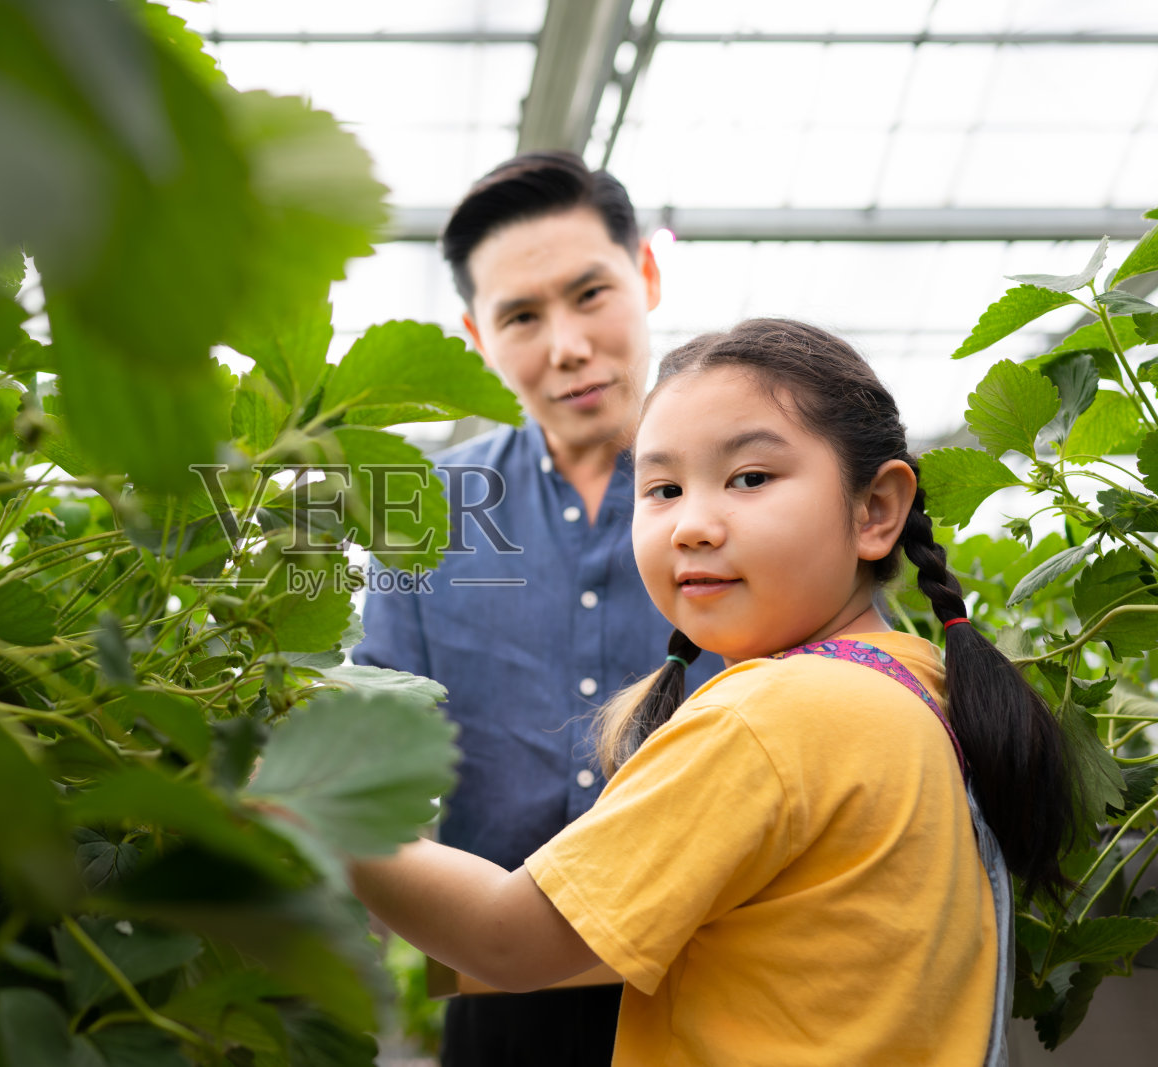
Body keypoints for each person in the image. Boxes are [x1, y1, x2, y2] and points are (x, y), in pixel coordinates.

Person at [352, 319, 1081, 1066]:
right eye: (662, 488)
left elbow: (506, 937)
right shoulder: (922, 684)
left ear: (875, 510)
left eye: (750, 478)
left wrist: (314, 799)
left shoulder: (767, 718)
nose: (693, 524)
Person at [352, 152, 712, 1064]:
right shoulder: (426, 511)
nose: (565, 345)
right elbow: (378, 725)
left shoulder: (746, 494)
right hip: (500, 993)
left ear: (648, 277)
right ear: (477, 334)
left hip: (719, 978)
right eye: (521, 315)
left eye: (590, 293)